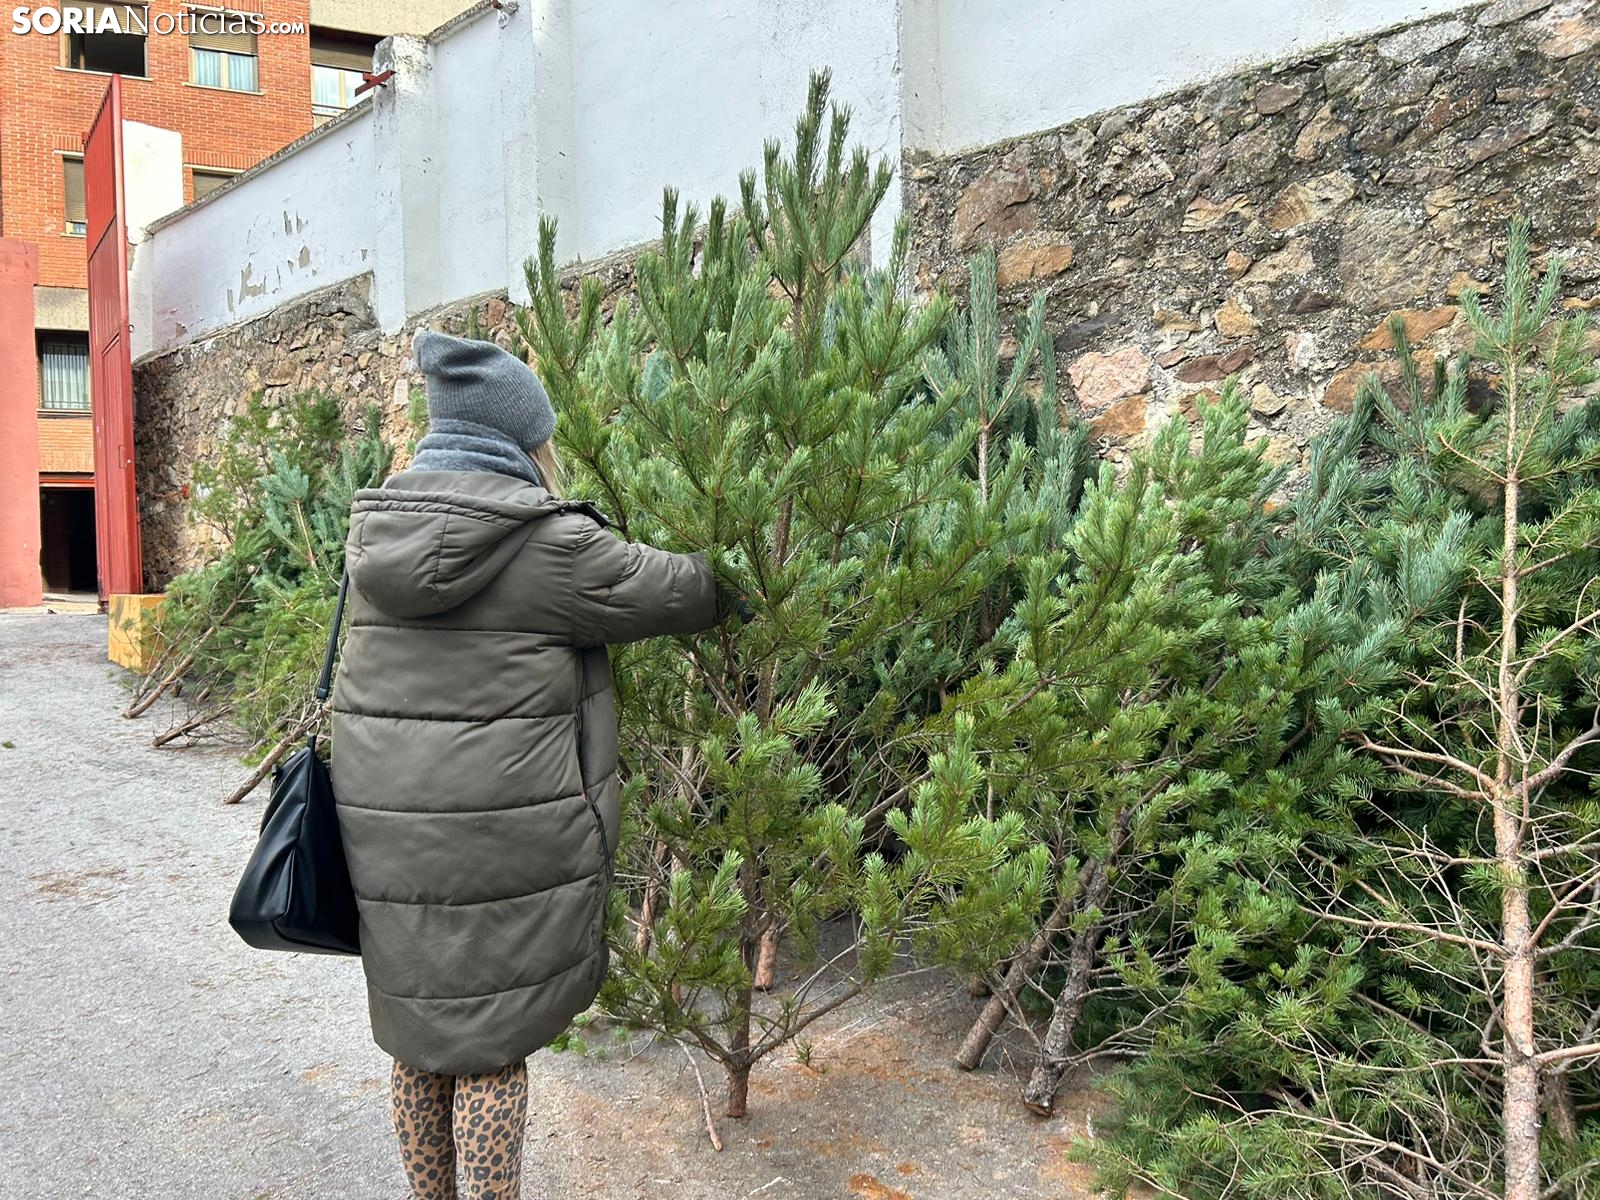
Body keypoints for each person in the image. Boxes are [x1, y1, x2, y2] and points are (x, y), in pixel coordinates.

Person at [331, 329, 738, 1199]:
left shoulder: (380, 529)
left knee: (421, 1043)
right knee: (492, 1049)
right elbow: (681, 589)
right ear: (521, 434)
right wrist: (752, 563)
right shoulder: (545, 541)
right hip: (506, 837)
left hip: (385, 832)